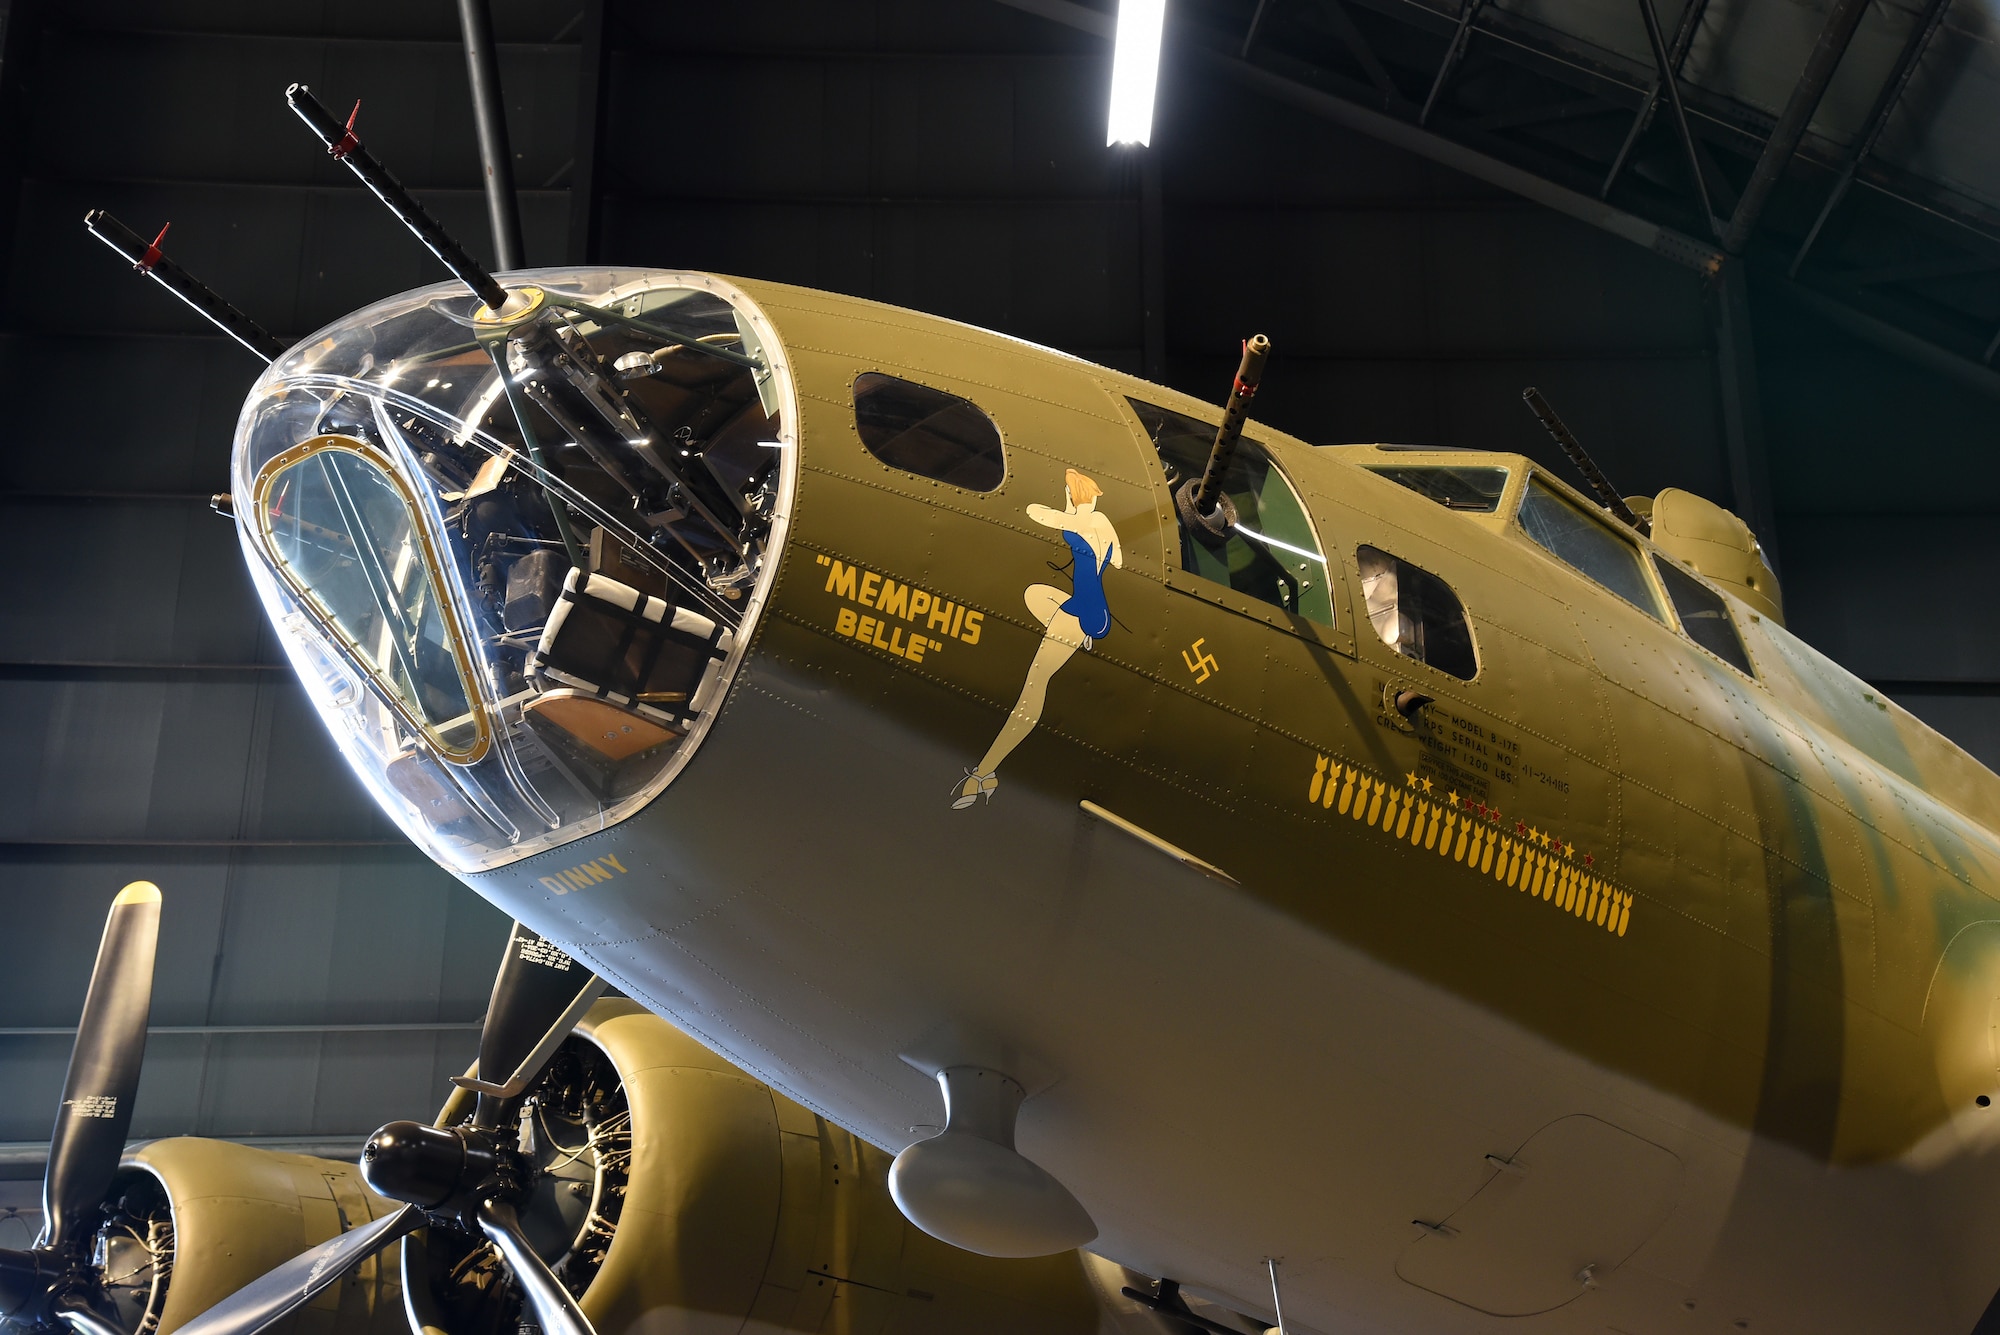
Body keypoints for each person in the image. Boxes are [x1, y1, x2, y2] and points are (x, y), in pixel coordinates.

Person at [952, 468, 1122, 809]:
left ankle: (985, 772)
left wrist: (1069, 513)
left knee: (1034, 684)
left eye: (1068, 492)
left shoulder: (1080, 522)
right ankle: (1080, 637)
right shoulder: (1102, 523)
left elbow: (1035, 513)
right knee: (1035, 594)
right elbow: (1117, 560)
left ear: (1075, 494)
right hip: (1092, 607)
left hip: (1081, 615)